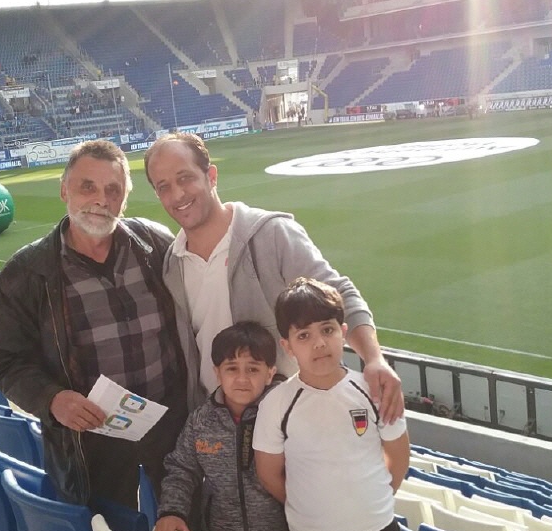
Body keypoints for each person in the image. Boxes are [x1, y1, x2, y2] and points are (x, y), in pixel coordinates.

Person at [143, 131, 403, 422]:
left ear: (211, 176)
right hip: (217, 425)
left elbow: (338, 293)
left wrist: (374, 359)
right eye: (164, 186)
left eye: (185, 178)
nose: (177, 194)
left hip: (287, 421)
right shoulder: (172, 263)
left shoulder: (270, 234)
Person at [0, 139, 187, 512]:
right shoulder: (27, 271)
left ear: (125, 198)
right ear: (64, 190)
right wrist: (52, 400)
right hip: (92, 442)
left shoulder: (154, 244)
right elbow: (6, 361)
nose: (101, 199)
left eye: (113, 190)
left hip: (168, 428)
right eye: (87, 186)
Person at [253, 278, 420, 531]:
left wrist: (369, 500)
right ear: (287, 346)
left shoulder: (374, 390)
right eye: (304, 336)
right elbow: (269, 474)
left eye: (327, 330)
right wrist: (309, 504)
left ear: (343, 332)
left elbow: (398, 456)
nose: (318, 343)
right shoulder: (277, 404)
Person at [154, 321, 292, 531]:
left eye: (253, 369)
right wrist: (171, 510)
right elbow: (181, 469)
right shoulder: (201, 420)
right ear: (216, 372)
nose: (242, 378)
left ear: (270, 373)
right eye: (231, 368)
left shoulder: (285, 414)